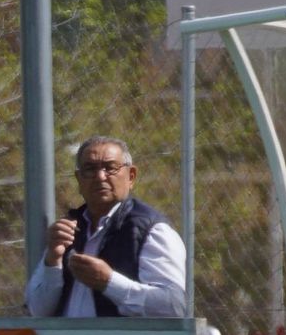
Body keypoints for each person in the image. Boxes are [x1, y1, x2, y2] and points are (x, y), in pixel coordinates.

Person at [24, 135, 186, 318]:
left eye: (110, 168)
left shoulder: (150, 231)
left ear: (131, 176)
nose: (100, 177)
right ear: (79, 179)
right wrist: (53, 259)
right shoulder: (68, 229)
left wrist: (109, 282)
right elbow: (37, 311)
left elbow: (173, 307)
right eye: (89, 169)